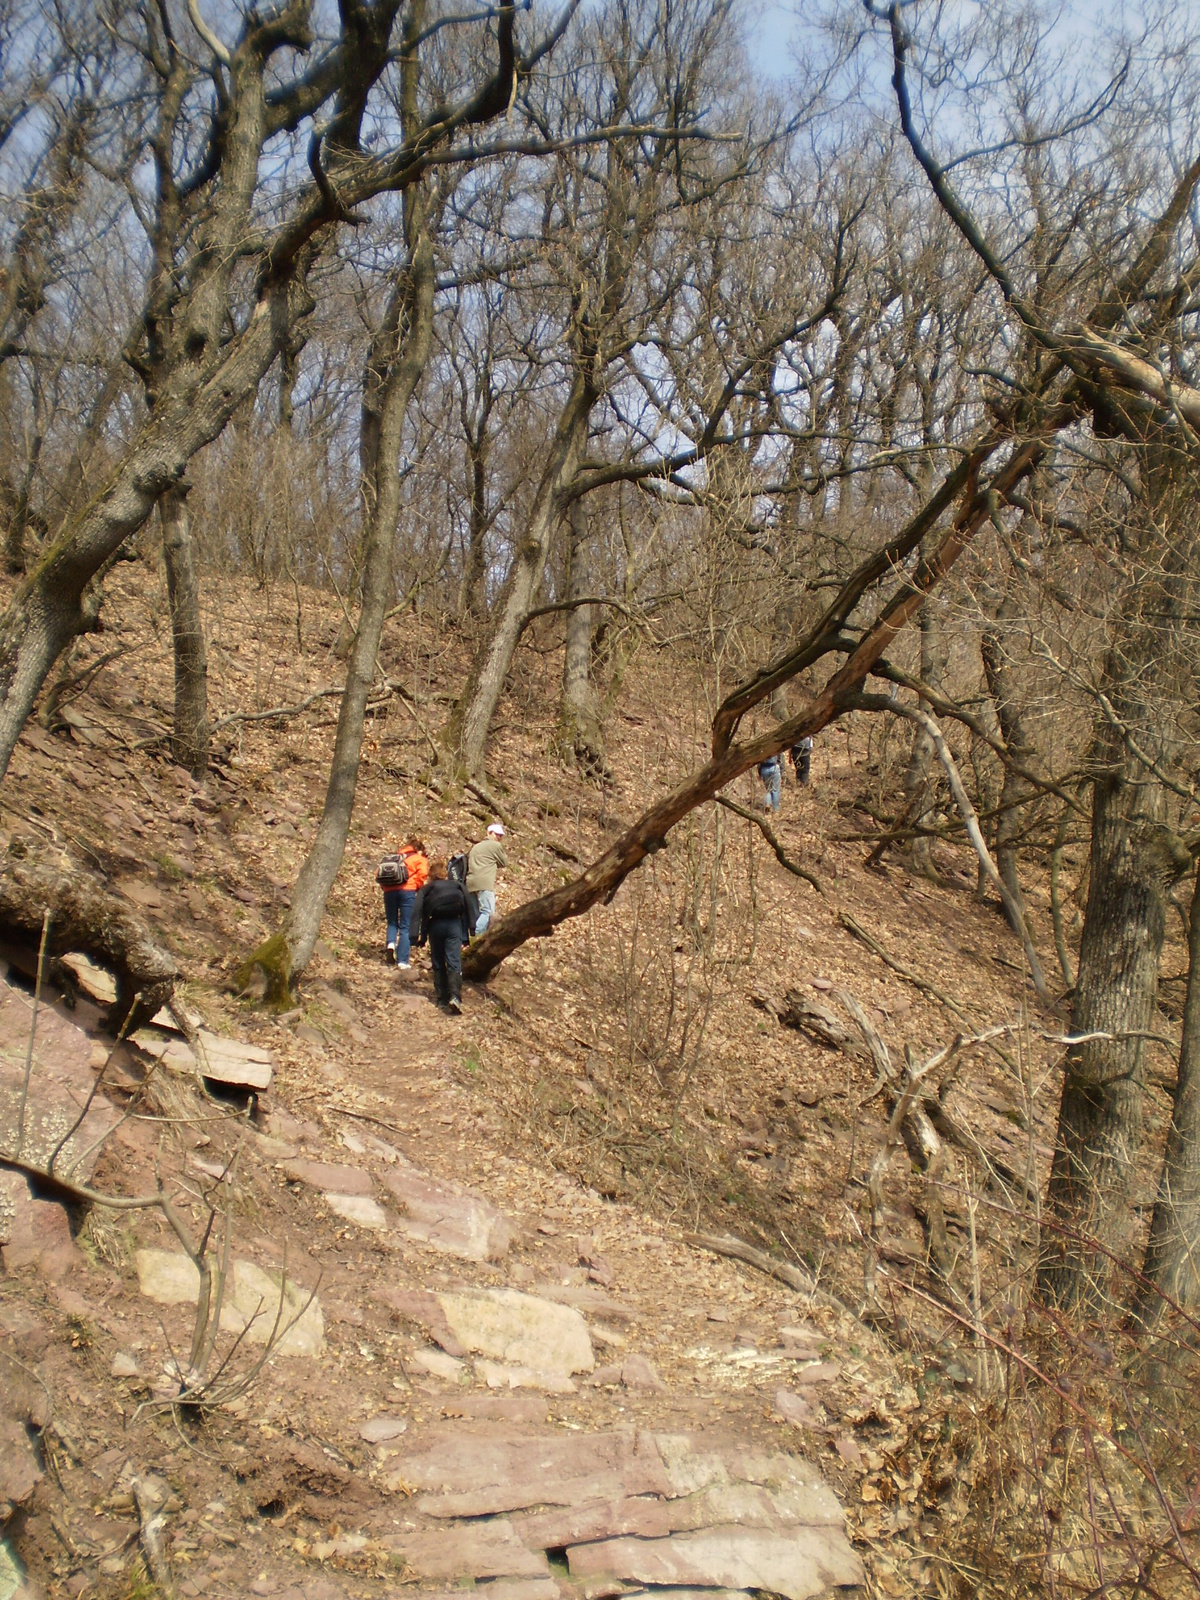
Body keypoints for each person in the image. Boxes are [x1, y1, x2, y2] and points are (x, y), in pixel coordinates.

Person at [415, 859, 471, 1012]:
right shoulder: (457, 886)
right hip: (454, 925)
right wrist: (468, 933)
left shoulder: (429, 889)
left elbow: (423, 914)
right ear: (445, 874)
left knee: (438, 961)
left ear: (431, 875)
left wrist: (421, 936)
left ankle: (441, 998)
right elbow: (467, 909)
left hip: (436, 926)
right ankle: (455, 997)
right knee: (454, 961)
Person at [382, 835, 428, 969]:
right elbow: (422, 874)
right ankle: (402, 961)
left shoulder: (394, 858)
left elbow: (379, 874)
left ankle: (390, 944)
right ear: (418, 849)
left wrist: (387, 887)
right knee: (405, 926)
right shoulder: (419, 858)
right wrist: (417, 887)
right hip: (408, 891)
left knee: (391, 922)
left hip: (389, 891)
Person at [466, 821, 508, 935]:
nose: (499, 837)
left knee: (477, 914)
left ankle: (471, 937)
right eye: (497, 834)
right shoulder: (495, 846)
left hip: (470, 883)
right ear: (489, 833)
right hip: (485, 883)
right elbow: (504, 862)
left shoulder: (476, 847)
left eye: (500, 835)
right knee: (488, 912)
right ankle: (475, 937)